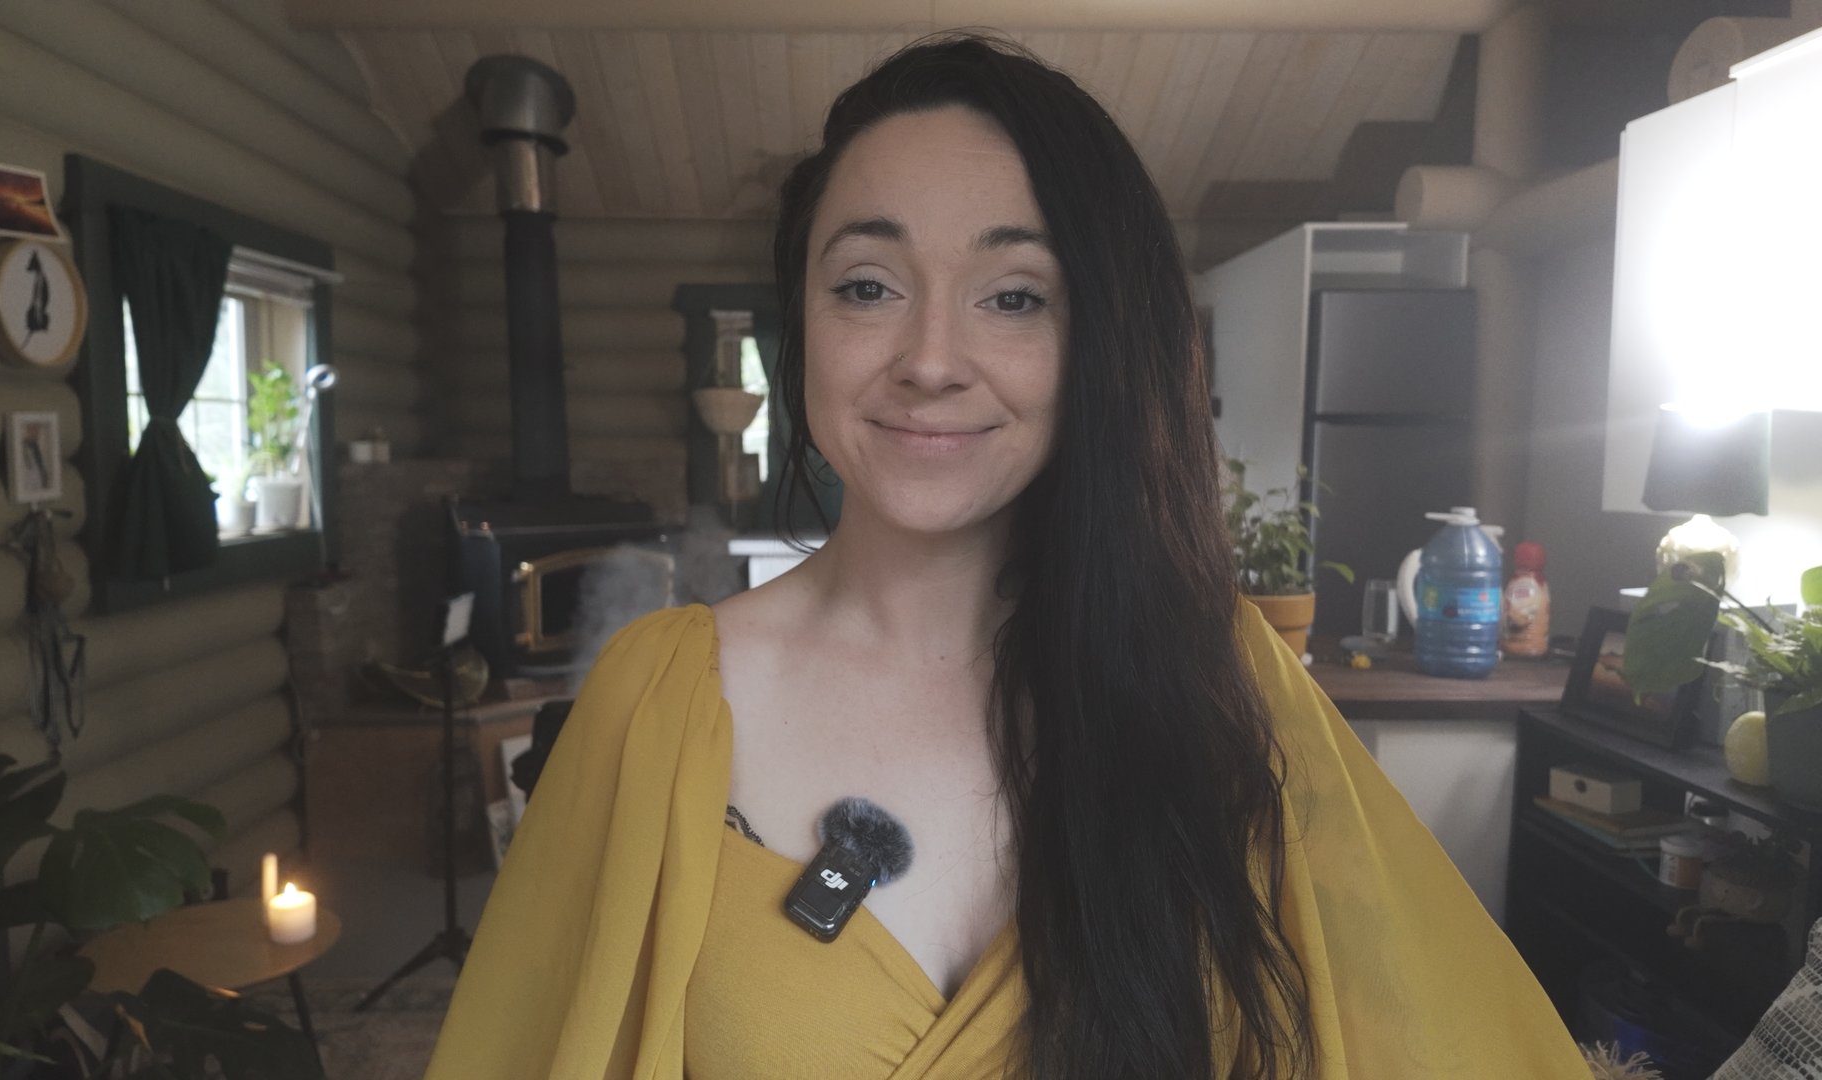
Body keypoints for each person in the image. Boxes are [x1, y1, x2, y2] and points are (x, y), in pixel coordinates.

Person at [425, 33, 1591, 1079]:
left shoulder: (1220, 674)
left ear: (1099, 344)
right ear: (801, 328)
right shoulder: (661, 698)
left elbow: (1454, 1035)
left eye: (1016, 297)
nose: (931, 359)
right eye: (869, 286)